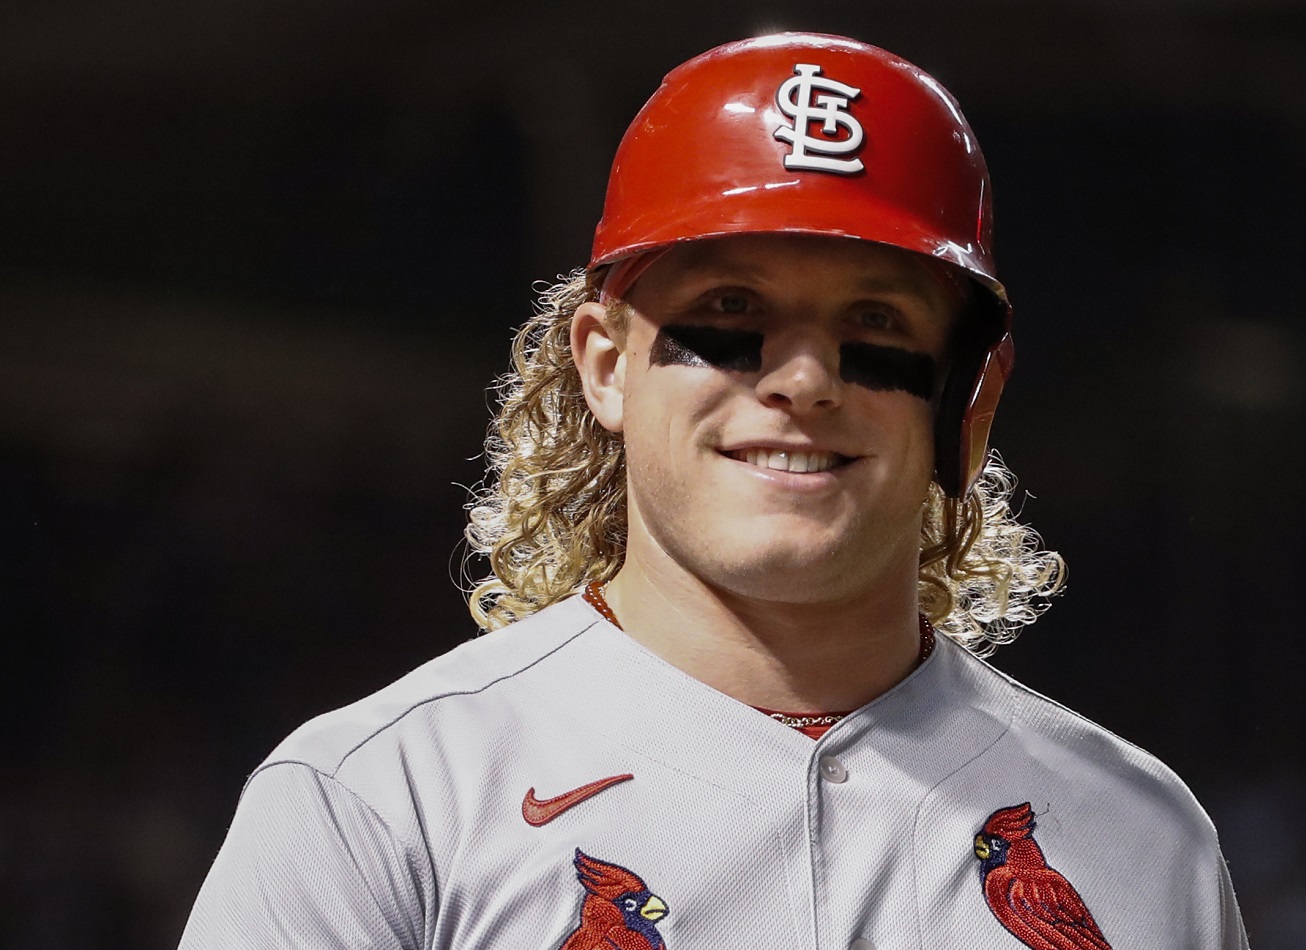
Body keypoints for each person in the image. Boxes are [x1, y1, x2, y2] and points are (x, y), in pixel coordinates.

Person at [181, 33, 1249, 950]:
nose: (800, 380)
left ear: (966, 400)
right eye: (729, 308)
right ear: (604, 363)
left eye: (874, 323)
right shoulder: (381, 799)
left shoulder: (1136, 834)